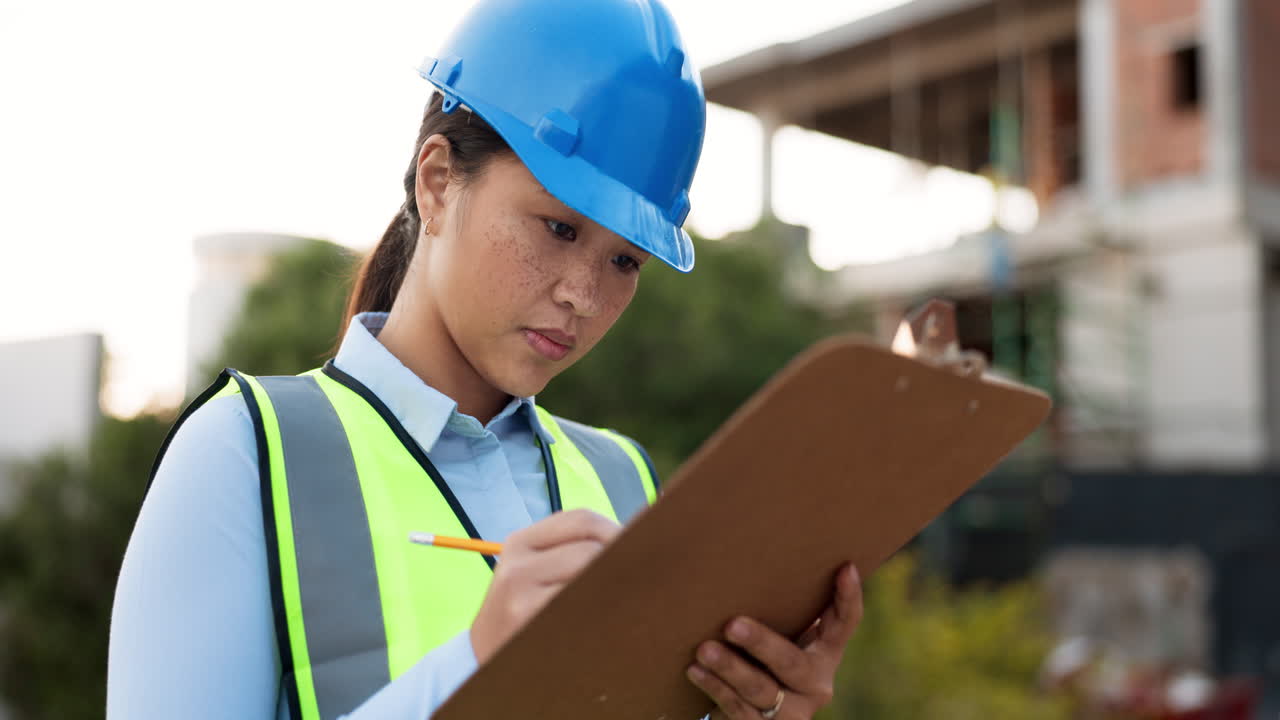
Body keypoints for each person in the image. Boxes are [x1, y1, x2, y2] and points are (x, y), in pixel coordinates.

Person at [107, 1, 864, 718]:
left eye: (625, 263)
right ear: (437, 183)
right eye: (559, 229)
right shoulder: (244, 454)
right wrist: (473, 668)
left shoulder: (623, 482)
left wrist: (758, 707)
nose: (584, 295)